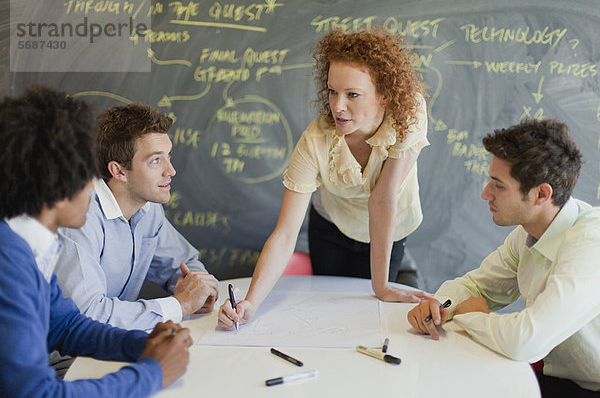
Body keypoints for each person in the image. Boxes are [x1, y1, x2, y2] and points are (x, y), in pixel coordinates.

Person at [219, 29, 431, 330]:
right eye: (332, 91)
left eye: (352, 95)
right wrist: (250, 302)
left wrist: (381, 286)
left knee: (367, 318)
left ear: (384, 94)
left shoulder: (410, 115)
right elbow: (286, 233)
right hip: (331, 226)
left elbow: (382, 198)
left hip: (388, 228)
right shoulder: (316, 140)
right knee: (329, 313)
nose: (337, 106)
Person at [0, 85, 192, 397]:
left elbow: (67, 326)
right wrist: (152, 373)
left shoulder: (31, 246)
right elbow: (38, 394)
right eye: (87, 178)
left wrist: (143, 345)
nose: (94, 189)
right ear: (57, 189)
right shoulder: (8, 266)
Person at [407, 119, 600, 397]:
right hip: (555, 375)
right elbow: (476, 286)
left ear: (541, 194)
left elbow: (525, 341)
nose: (486, 193)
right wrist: (441, 305)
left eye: (498, 185)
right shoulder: (528, 232)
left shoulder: (591, 243)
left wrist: (466, 315)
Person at [54, 103, 219, 331]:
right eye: (155, 160)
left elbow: (183, 263)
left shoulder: (148, 208)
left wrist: (200, 288)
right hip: (59, 360)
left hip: (112, 342)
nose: (170, 170)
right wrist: (179, 304)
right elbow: (87, 313)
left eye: (168, 156)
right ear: (119, 171)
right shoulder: (78, 218)